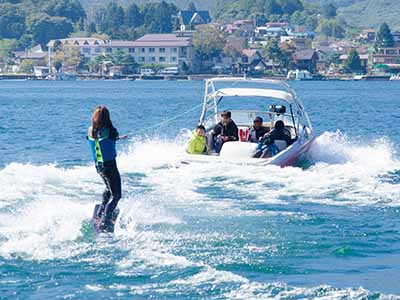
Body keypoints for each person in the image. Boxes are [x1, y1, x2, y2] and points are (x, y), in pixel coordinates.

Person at [87, 106, 127, 232]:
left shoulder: (90, 131)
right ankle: (105, 219)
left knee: (108, 188)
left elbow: (101, 140)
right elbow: (112, 137)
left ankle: (101, 211)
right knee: (117, 195)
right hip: (110, 166)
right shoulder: (111, 130)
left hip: (99, 166)